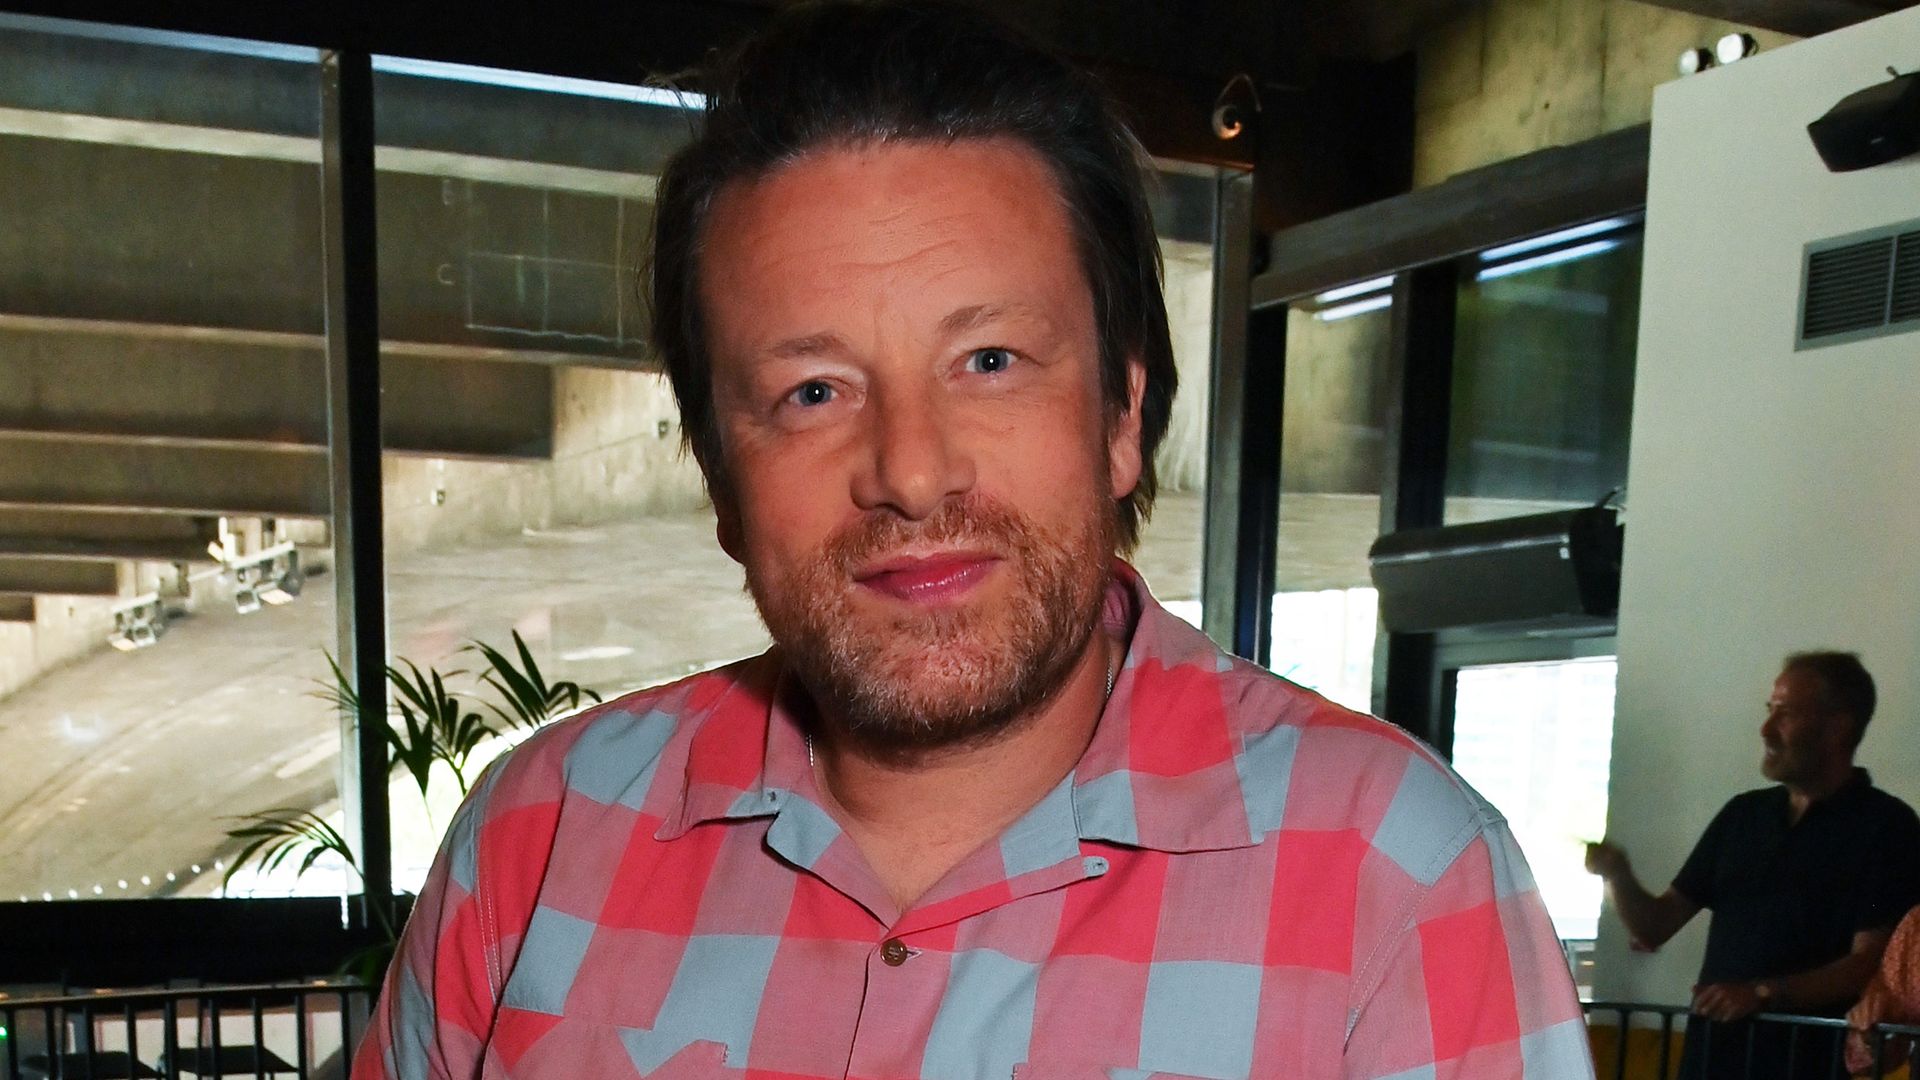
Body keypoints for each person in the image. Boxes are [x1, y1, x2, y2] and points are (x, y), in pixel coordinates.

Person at [353, 4, 1590, 1077]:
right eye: (813, 392)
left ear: (1120, 417)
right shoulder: (540, 839)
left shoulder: (1402, 884)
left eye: (989, 361)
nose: (909, 470)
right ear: (722, 483)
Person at [1586, 651, 1920, 1080]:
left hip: (1804, 1063)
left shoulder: (1887, 827)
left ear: (1838, 726)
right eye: (1770, 710)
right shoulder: (1742, 816)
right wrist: (1618, 875)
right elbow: (1656, 925)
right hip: (1711, 1060)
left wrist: (1763, 994)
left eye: (1786, 713)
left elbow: (1866, 963)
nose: (1766, 729)